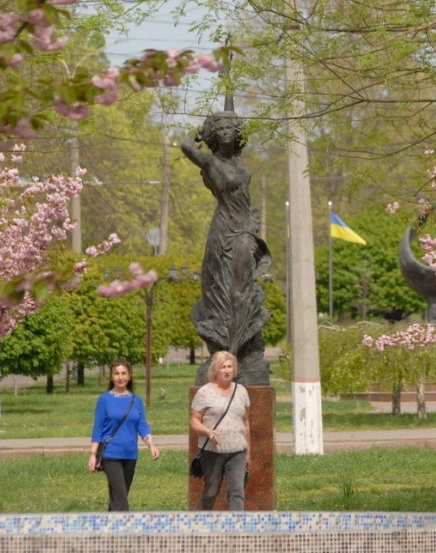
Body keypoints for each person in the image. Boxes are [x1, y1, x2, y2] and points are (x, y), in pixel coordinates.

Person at [181, 104, 272, 386]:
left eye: (230, 128)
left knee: (242, 291)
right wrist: (198, 134)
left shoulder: (239, 161)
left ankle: (235, 353)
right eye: (219, 129)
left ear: (237, 132)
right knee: (225, 291)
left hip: (245, 228)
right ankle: (229, 357)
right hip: (224, 229)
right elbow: (186, 146)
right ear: (213, 133)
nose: (225, 133)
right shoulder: (210, 162)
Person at [88, 359, 160, 512]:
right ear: (111, 377)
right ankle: (126, 531)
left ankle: (106, 531)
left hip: (130, 455)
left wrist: (151, 445)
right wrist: (93, 455)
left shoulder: (136, 400)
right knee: (120, 496)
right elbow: (98, 429)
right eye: (116, 373)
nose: (120, 377)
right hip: (110, 454)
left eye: (123, 373)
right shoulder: (104, 399)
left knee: (119, 496)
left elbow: (142, 426)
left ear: (129, 376)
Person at [189, 350, 251, 510]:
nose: (227, 370)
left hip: (237, 451)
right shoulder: (204, 392)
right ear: (215, 370)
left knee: (237, 491)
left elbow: (246, 421)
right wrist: (207, 431)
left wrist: (248, 451)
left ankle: (235, 529)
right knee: (211, 491)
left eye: (230, 366)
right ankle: (198, 524)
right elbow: (194, 420)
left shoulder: (241, 391)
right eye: (223, 367)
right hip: (212, 452)